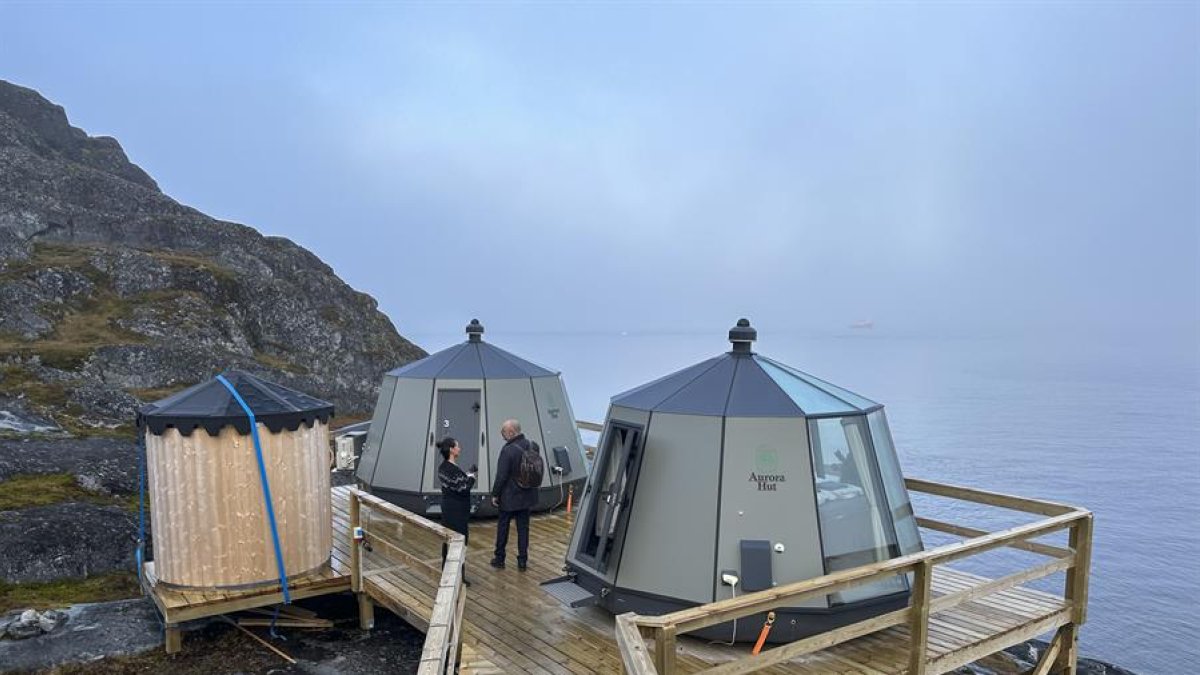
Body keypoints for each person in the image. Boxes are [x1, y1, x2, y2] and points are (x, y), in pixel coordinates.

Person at [490, 419, 537, 571]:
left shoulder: (507, 450)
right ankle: (522, 561)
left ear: (511, 432)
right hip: (527, 495)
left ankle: (499, 558)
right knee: (523, 529)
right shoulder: (532, 445)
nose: (503, 436)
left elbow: (501, 476)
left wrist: (495, 494)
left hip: (509, 497)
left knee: (503, 527)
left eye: (503, 433)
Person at [436, 436, 476, 586]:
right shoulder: (452, 469)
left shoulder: (442, 468)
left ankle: (447, 573)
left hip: (448, 509)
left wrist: (466, 476)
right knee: (460, 542)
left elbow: (456, 484)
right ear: (452, 450)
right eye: (457, 446)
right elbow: (463, 489)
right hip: (458, 511)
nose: (460, 448)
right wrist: (472, 477)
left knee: (448, 541)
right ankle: (459, 577)